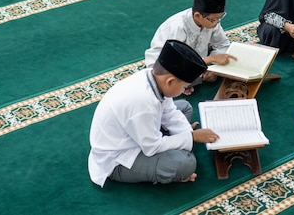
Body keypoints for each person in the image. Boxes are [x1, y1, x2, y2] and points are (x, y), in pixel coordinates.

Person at [88, 40, 219, 187]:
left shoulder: (151, 77)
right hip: (119, 158)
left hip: (138, 132)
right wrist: (192, 137)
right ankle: (173, 169)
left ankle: (176, 146)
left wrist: (187, 132)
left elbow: (170, 112)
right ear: (170, 81)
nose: (184, 90)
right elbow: (152, 147)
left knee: (184, 107)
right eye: (184, 87)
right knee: (186, 164)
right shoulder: (142, 102)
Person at [145, 0, 236, 90]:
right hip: (166, 68)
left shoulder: (211, 23)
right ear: (197, 16)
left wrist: (213, 68)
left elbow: (222, 44)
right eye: (213, 19)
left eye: (220, 18)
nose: (217, 22)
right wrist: (210, 59)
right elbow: (173, 62)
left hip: (196, 66)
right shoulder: (177, 27)